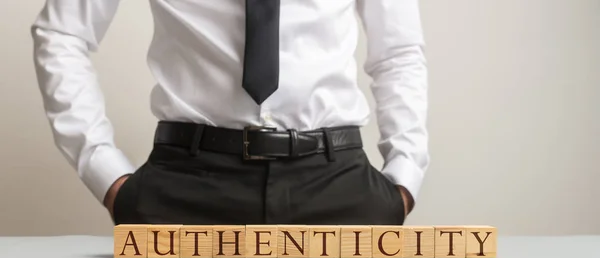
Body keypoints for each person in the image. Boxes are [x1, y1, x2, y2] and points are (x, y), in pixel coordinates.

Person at [31, 0, 429, 226]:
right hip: (186, 187)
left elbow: (398, 52)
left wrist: (404, 178)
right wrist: (105, 172)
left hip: (338, 184)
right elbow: (62, 33)